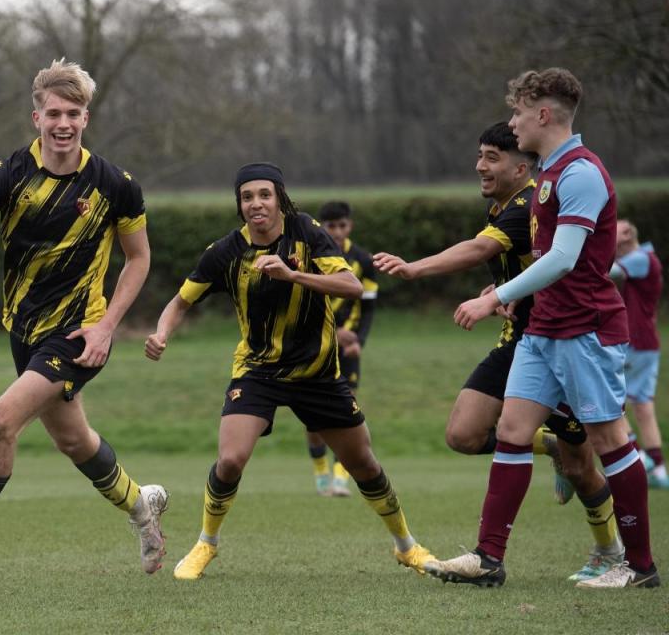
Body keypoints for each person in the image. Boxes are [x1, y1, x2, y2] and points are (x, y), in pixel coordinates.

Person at [0, 59, 168, 585]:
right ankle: (143, 505)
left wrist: (107, 326)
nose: (63, 123)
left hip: (78, 334)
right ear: (36, 117)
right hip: (24, 333)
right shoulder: (10, 174)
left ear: (86, 118)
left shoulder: (115, 185)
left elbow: (138, 259)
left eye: (72, 113)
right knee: (75, 442)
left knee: (3, 421)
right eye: (53, 113)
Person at [144, 162, 436, 580]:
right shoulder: (225, 251)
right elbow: (181, 301)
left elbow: (351, 286)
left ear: (279, 198)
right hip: (258, 371)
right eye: (247, 197)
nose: (255, 203)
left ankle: (407, 547)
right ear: (239, 204)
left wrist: (294, 274)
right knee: (230, 460)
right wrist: (161, 332)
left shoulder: (307, 232)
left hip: (317, 371)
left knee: (364, 464)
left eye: (264, 194)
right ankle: (206, 543)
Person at [425, 68, 658, 589]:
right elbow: (544, 263)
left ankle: (640, 567)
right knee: (510, 432)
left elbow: (565, 259)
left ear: (543, 114)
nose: (513, 123)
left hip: (585, 329)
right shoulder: (550, 171)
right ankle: (488, 558)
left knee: (609, 440)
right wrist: (506, 295)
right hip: (543, 330)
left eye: (518, 113)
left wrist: (498, 297)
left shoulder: (580, 173)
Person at [373, 122, 625, 582]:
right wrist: (504, 292)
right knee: (463, 434)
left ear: (521, 165)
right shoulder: (505, 206)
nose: (480, 166)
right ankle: (541, 455)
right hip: (520, 343)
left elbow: (480, 249)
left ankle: (612, 552)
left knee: (583, 466)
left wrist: (414, 269)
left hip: (564, 342)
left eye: (492, 157)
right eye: (480, 155)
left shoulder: (527, 203)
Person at [306, 201, 378, 497]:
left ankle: (339, 478)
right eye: (330, 226)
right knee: (312, 417)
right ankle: (321, 471)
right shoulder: (310, 257)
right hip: (314, 345)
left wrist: (358, 341)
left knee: (346, 410)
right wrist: (334, 332)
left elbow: (369, 307)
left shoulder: (363, 260)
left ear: (350, 226)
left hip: (347, 350)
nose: (336, 231)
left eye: (342, 225)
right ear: (322, 227)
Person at [612, 219, 667, 489]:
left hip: (633, 341)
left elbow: (604, 272)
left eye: (613, 231)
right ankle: (659, 471)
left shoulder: (639, 259)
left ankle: (639, 455)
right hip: (647, 342)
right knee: (643, 407)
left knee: (609, 398)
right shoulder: (647, 257)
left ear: (625, 235)